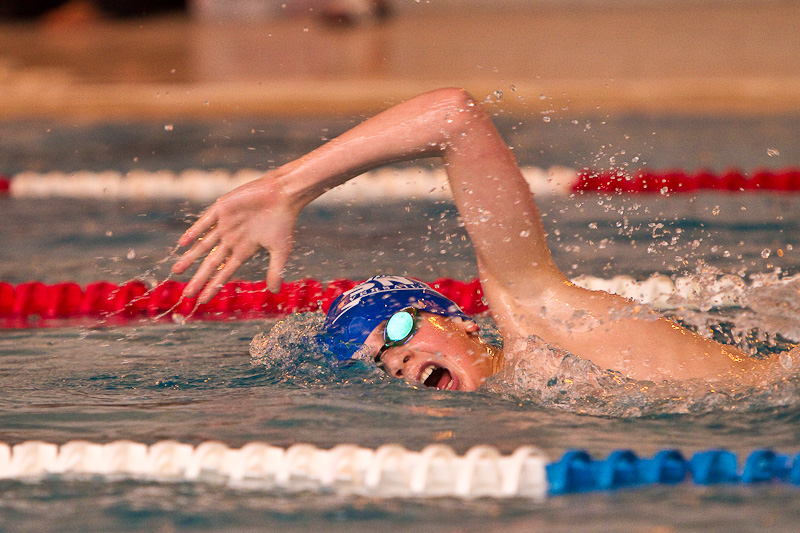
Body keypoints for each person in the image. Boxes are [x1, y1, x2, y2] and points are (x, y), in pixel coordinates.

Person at [172, 87, 792, 391]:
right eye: (378, 361)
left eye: (397, 330)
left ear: (461, 322)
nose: (397, 359)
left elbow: (453, 117)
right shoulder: (519, 399)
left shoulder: (539, 319)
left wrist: (288, 187)